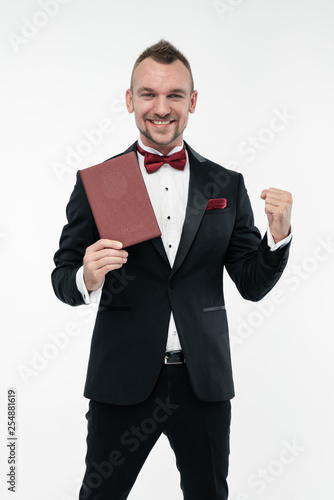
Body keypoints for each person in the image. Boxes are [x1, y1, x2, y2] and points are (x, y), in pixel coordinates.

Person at [52, 39, 292, 500]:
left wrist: (277, 236)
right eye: (148, 94)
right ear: (129, 100)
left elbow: (252, 284)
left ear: (192, 102)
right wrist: (85, 275)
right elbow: (62, 277)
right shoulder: (100, 182)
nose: (161, 108)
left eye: (174, 95)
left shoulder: (226, 184)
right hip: (121, 381)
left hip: (202, 383)